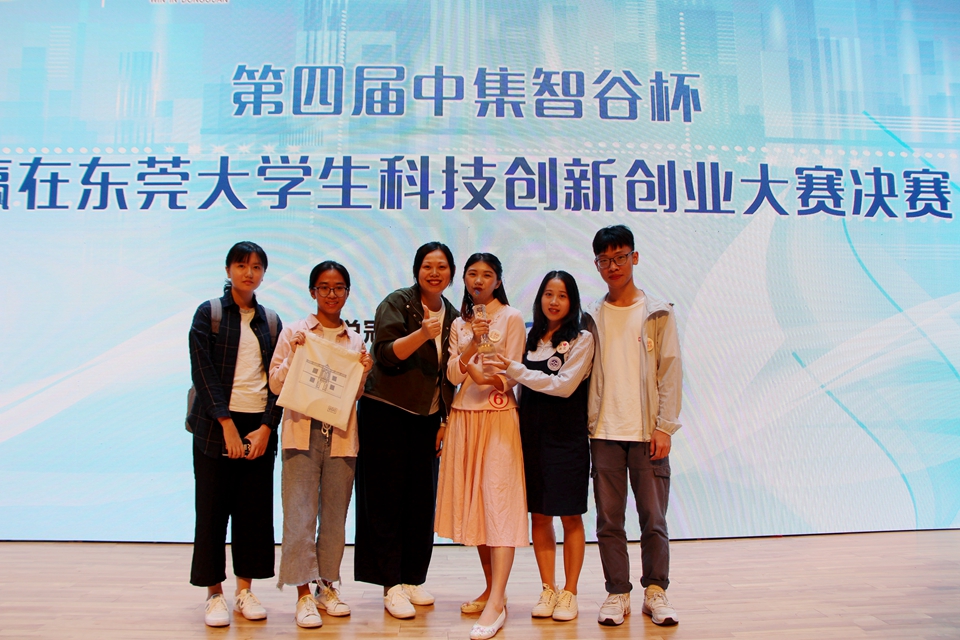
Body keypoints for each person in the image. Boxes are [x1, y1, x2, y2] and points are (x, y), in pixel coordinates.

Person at [583, 225, 682, 627]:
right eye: (605, 260)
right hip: (604, 431)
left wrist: (665, 426)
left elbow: (670, 371)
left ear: (634, 258)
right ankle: (617, 592)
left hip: (646, 432)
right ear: (597, 265)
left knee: (653, 518)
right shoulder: (591, 315)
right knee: (609, 520)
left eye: (620, 257)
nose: (614, 266)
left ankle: (655, 591)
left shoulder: (658, 312)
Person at [354, 242, 459, 619]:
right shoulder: (398, 303)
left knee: (420, 500)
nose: (435, 273)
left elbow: (451, 376)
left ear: (451, 274)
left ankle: (413, 577)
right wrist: (421, 333)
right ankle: (390, 583)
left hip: (427, 418)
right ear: (416, 270)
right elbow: (384, 354)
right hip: (386, 411)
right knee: (385, 500)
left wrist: (444, 420)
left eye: (442, 267)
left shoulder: (455, 315)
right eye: (428, 266)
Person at [269, 261, 373, 628]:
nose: (332, 294)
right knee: (299, 515)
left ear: (347, 293)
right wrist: (295, 355)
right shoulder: (295, 332)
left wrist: (364, 371)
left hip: (341, 437)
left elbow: (353, 395)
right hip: (301, 433)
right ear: (313, 291)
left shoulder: (355, 341)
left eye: (339, 287)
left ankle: (326, 586)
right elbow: (276, 384)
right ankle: (302, 594)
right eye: (325, 287)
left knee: (334, 516)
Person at [187, 241, 283, 627]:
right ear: (228, 270)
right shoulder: (209, 313)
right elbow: (203, 372)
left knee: (253, 514)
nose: (249, 272)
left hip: (257, 427)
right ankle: (214, 594)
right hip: (215, 427)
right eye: (241, 265)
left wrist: (266, 427)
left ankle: (245, 591)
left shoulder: (270, 321)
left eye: (256, 266)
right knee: (212, 512)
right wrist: (226, 424)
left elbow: (279, 381)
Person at [491, 270, 593, 622]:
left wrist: (516, 370)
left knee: (571, 515)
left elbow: (563, 386)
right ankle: (548, 588)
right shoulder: (530, 336)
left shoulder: (581, 339)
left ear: (572, 301)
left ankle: (570, 592)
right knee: (540, 515)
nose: (554, 301)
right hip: (531, 437)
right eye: (549, 294)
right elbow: (508, 377)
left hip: (567, 439)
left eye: (562, 295)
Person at [435, 253, 527, 640]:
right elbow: (453, 373)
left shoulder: (512, 317)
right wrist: (473, 341)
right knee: (478, 508)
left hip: (499, 415)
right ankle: (492, 590)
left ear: (498, 281)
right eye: (472, 274)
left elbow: (514, 373)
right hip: (464, 416)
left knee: (499, 505)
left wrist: (490, 378)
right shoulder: (459, 323)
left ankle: (497, 602)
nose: (478, 280)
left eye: (487, 275)